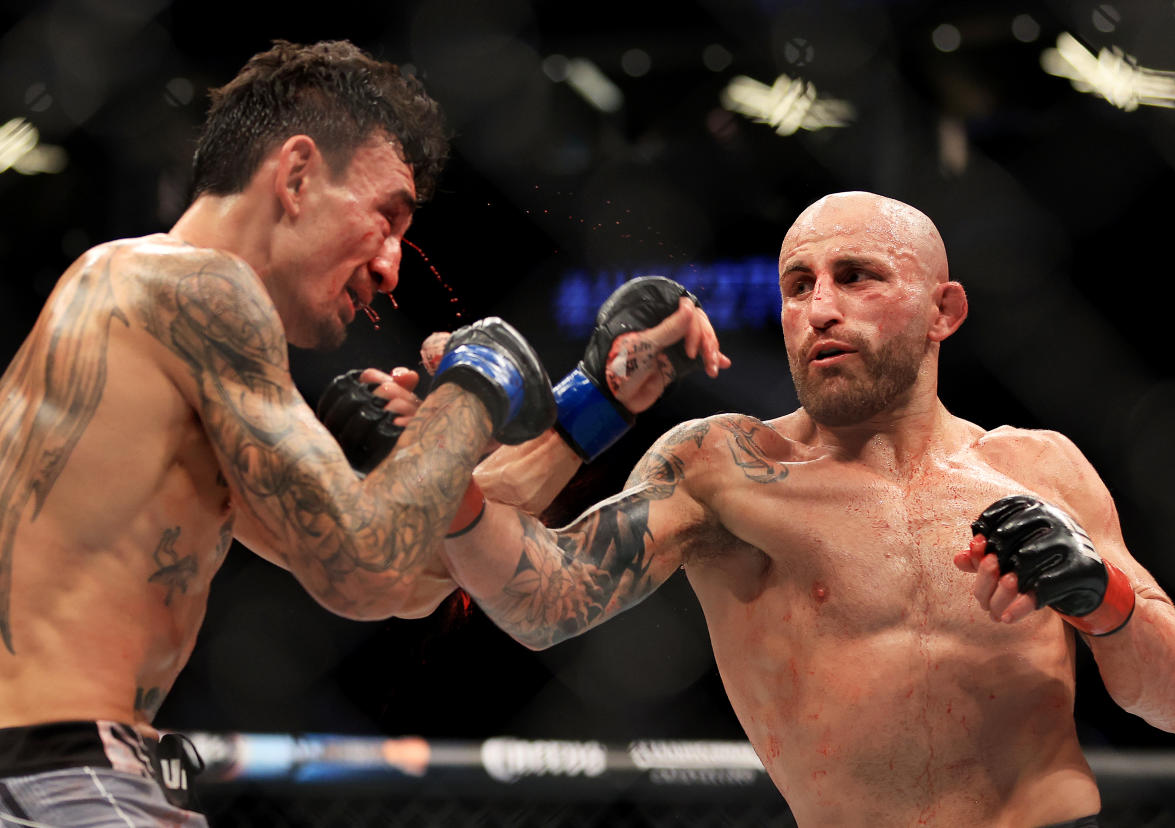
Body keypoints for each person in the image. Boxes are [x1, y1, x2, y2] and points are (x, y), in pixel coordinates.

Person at [0, 40, 727, 826]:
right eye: (387, 217)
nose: (391, 267)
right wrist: (475, 387)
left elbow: (400, 582)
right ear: (298, 175)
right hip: (56, 776)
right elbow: (364, 561)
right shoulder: (191, 289)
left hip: (60, 772)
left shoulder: (157, 340)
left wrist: (592, 405)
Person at [439, 191, 1175, 827]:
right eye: (798, 285)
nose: (819, 309)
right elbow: (539, 604)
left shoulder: (1041, 466)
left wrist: (1103, 598)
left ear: (943, 310)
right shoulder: (721, 466)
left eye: (856, 276)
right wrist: (444, 461)